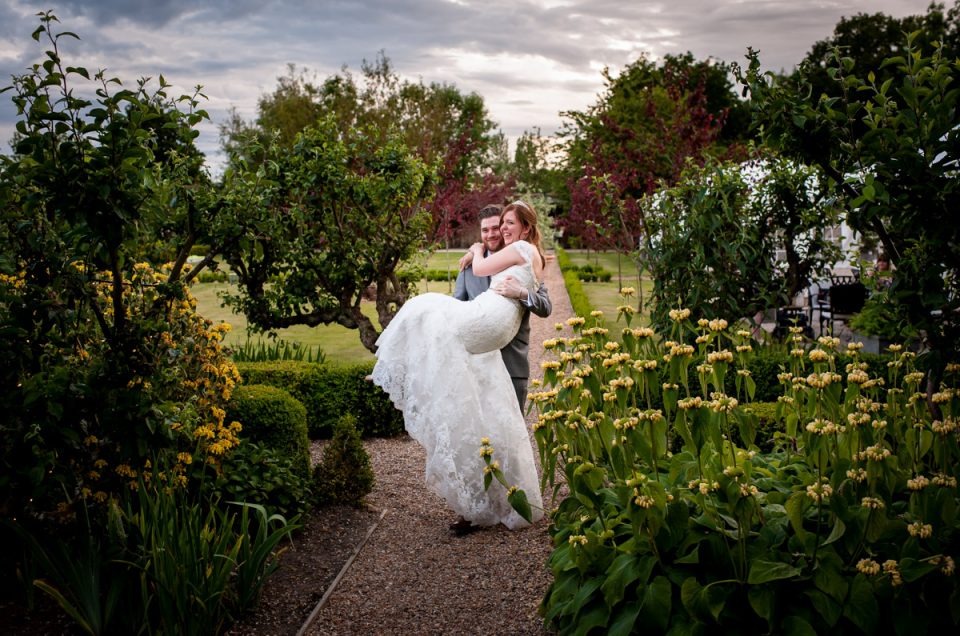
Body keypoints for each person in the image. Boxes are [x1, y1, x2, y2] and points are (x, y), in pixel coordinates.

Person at [370, 201, 546, 534]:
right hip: (480, 351)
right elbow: (462, 298)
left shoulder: (513, 251)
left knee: (422, 306)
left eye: (508, 224)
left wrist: (477, 253)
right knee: (478, 430)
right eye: (495, 227)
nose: (501, 230)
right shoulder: (529, 254)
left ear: (525, 227)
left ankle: (397, 366)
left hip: (504, 354)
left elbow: (539, 300)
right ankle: (479, 507)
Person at [454, 204, 553, 410]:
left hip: (512, 364)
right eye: (485, 230)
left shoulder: (523, 261)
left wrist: (522, 293)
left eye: (496, 227)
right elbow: (457, 310)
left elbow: (545, 307)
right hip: (476, 364)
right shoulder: (468, 268)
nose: (491, 234)